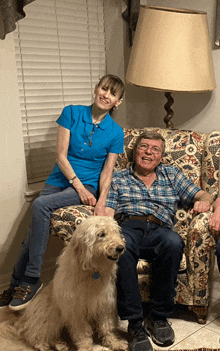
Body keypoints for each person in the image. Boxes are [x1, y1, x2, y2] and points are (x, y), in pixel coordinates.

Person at [0, 74, 125, 311]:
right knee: (33, 232)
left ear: (118, 102)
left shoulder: (115, 132)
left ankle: (31, 279)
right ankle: (17, 283)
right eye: (104, 88)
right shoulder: (71, 113)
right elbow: (61, 156)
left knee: (39, 205)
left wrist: (101, 201)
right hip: (61, 180)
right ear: (96, 88)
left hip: (89, 185)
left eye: (112, 93)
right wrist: (77, 186)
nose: (106, 95)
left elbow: (107, 172)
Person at [105, 131, 214, 351]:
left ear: (161, 157)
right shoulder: (117, 178)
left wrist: (204, 202)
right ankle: (135, 323)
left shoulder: (171, 174)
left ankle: (159, 317)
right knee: (121, 249)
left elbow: (206, 195)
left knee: (174, 243)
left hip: (160, 229)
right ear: (135, 151)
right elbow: (107, 212)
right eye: (144, 147)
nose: (148, 152)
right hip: (128, 225)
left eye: (155, 149)